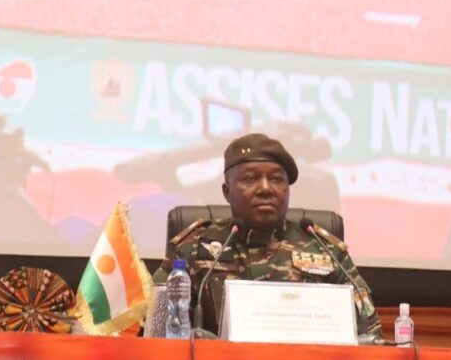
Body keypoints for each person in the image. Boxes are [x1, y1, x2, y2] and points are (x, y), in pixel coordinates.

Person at [152, 133, 382, 338]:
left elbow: (371, 334)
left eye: (277, 179)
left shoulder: (325, 250)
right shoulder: (192, 248)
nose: (265, 189)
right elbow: (156, 331)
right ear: (227, 192)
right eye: (250, 179)